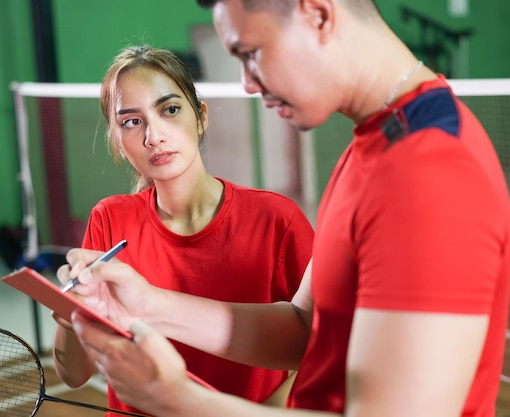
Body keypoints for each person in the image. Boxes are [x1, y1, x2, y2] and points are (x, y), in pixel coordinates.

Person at [59, 1, 510, 416]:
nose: (247, 83)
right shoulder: (370, 150)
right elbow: (303, 329)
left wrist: (177, 400)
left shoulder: (429, 172)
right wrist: (148, 305)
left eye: (250, 53)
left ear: (317, 14)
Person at [51, 44, 315, 415]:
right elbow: (73, 373)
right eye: (131, 121)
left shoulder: (276, 219)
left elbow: (325, 350)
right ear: (117, 141)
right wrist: (70, 310)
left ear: (201, 116)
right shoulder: (109, 218)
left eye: (170, 110)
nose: (153, 135)